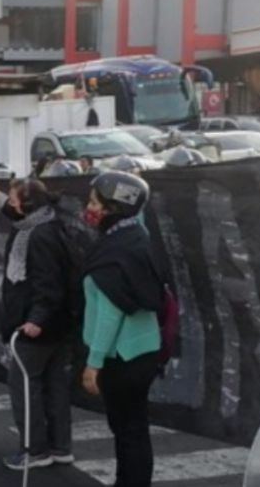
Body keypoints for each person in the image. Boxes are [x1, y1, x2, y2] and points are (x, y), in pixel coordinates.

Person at [0, 174, 79, 470]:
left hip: (36, 324)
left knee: (25, 386)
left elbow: (48, 282)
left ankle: (34, 449)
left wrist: (36, 319)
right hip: (58, 324)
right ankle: (60, 446)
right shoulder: (45, 222)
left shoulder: (37, 237)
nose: (10, 205)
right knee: (55, 386)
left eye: (14, 200)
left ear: (27, 204)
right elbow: (12, 212)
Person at [81, 171, 162, 487]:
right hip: (144, 350)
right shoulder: (137, 237)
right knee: (134, 429)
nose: (89, 208)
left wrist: (94, 363)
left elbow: (109, 314)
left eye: (94, 202)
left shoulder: (114, 252)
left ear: (113, 208)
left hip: (121, 355)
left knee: (127, 430)